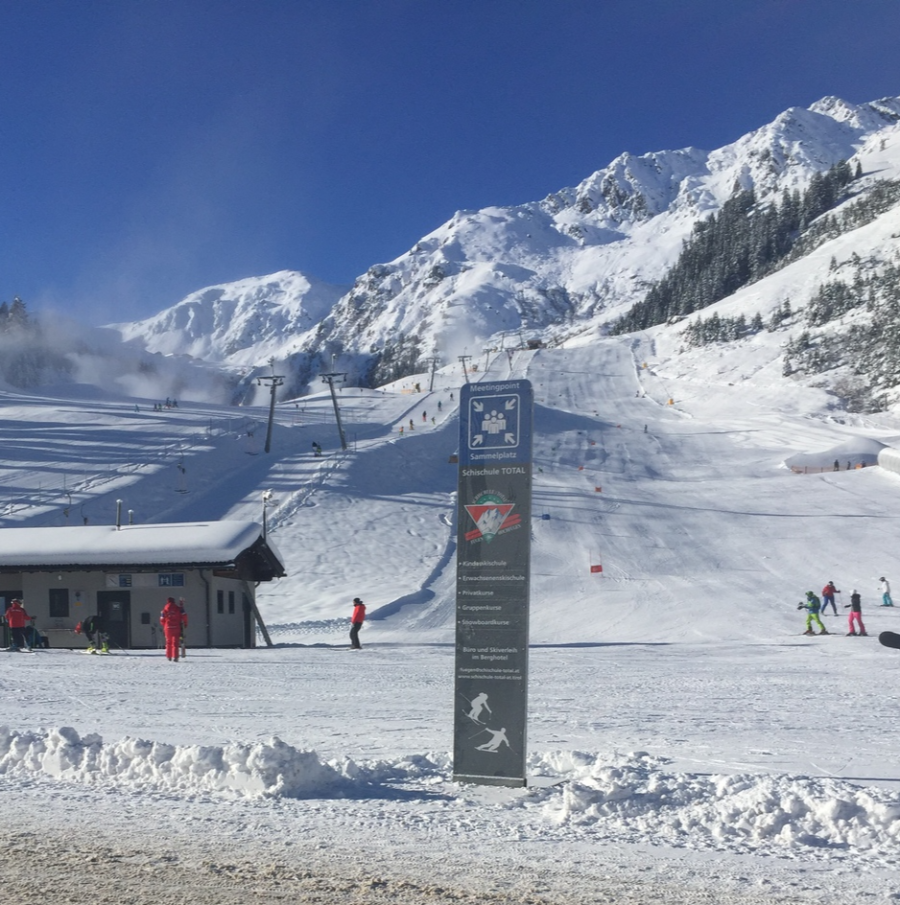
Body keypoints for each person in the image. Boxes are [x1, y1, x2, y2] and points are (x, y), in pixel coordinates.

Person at [160, 596, 187, 662]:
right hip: (176, 627)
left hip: (168, 628)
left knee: (168, 642)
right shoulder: (178, 609)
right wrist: (185, 624)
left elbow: (162, 619)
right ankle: (175, 657)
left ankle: (169, 656)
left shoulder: (164, 610)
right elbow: (184, 616)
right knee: (175, 643)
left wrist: (164, 625)